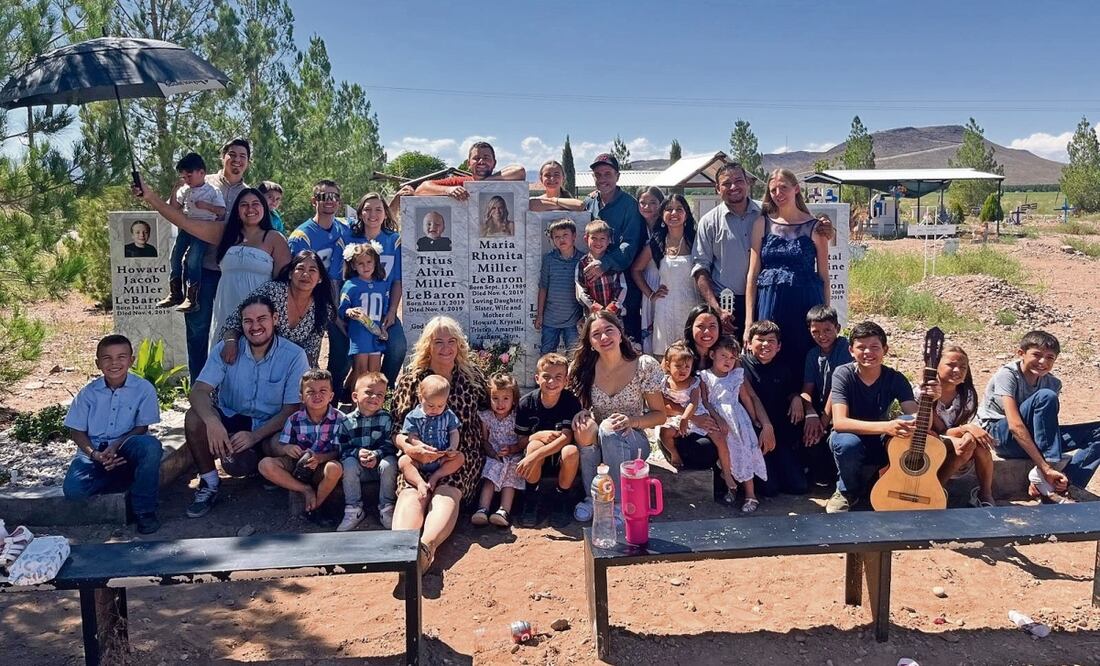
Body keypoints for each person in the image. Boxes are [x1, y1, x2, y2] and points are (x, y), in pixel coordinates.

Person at [133, 137, 250, 381]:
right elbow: (173, 212)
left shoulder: (249, 195)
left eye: (242, 156)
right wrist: (150, 195)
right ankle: (199, 389)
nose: (237, 160)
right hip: (202, 270)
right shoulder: (198, 181)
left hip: (233, 272)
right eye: (232, 154)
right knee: (197, 329)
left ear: (248, 162)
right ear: (222, 157)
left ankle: (230, 387)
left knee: (236, 332)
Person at [183, 295, 310, 518]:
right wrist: (213, 423)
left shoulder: (293, 355)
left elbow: (293, 407)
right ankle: (209, 482)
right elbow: (199, 391)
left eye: (262, 319)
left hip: (270, 425)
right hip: (234, 416)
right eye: (248, 321)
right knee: (195, 418)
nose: (255, 326)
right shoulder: (227, 349)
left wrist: (255, 436)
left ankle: (269, 469)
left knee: (278, 443)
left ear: (275, 319)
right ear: (241, 324)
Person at [390, 316, 490, 569]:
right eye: (438, 342)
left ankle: (426, 548)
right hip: (418, 454)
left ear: (459, 345)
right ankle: (402, 551)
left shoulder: (472, 378)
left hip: (460, 454)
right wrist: (412, 448)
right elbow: (395, 428)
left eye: (451, 341)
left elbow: (493, 413)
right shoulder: (412, 380)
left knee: (447, 490)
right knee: (413, 491)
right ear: (428, 346)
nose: (446, 348)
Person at [978, 330, 1100, 503]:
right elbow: (1014, 425)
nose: (1043, 362)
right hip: (1001, 435)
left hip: (1033, 437)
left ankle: (1066, 487)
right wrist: (1045, 467)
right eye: (1037, 355)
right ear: (1021, 353)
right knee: (1045, 396)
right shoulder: (1008, 375)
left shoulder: (1053, 383)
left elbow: (1044, 425)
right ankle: (1044, 477)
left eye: (1050, 357)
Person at [826, 321, 933, 513]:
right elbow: (840, 422)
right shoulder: (843, 374)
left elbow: (917, 419)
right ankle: (846, 491)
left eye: (875, 347)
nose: (868, 352)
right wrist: (887, 426)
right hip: (850, 436)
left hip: (881, 440)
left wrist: (930, 400)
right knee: (847, 444)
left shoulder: (895, 378)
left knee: (910, 435)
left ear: (885, 349)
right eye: (861, 347)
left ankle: (885, 487)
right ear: (851, 350)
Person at [568, 311, 665, 521]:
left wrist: (632, 421)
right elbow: (582, 407)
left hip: (634, 440)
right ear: (590, 342)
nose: (604, 337)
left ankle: (620, 503)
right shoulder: (584, 369)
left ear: (620, 334)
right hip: (602, 437)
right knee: (585, 429)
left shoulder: (643, 365)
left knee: (609, 427)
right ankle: (595, 498)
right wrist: (582, 413)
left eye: (608, 330)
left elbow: (660, 416)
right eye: (596, 334)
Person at [62, 335, 163, 534]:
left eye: (121, 357)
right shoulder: (88, 394)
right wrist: (95, 454)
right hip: (95, 451)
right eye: (107, 358)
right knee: (74, 491)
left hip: (126, 445)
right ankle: (118, 473)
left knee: (151, 447)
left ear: (131, 360)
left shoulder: (144, 389)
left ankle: (144, 511)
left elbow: (142, 427)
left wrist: (116, 446)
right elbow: (77, 431)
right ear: (97, 363)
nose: (114, 363)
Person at [745, 168, 831, 379]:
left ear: (796, 189)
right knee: (769, 353)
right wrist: (749, 322)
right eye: (773, 189)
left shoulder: (815, 227)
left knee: (803, 356)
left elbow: (824, 277)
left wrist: (826, 317)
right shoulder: (761, 223)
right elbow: (752, 274)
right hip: (770, 302)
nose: (778, 193)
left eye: (783, 187)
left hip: (805, 303)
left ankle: (804, 405)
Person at [218, 251, 335, 368]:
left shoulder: (322, 307)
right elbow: (235, 320)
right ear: (290, 274)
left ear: (320, 278)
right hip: (254, 356)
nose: (305, 274)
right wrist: (231, 342)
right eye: (300, 268)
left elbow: (311, 350)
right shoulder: (272, 291)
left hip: (291, 364)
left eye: (312, 270)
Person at [289, 180, 353, 394]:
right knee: (307, 356)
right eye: (324, 196)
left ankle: (332, 395)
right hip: (310, 299)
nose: (329, 201)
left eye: (334, 196)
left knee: (343, 351)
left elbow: (375, 219)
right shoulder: (301, 237)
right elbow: (296, 278)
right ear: (313, 201)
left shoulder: (344, 227)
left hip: (337, 297)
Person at [208, 188, 291, 350]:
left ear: (264, 208)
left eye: (255, 204)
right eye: (244, 205)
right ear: (237, 210)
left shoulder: (274, 238)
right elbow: (184, 222)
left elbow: (283, 286)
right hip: (225, 307)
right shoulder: (226, 235)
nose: (250, 209)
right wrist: (150, 197)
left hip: (259, 314)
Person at [259, 369, 345, 516]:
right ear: (302, 397)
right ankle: (304, 489)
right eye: (310, 392)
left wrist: (320, 458)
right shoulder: (294, 419)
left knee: (335, 469)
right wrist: (288, 449)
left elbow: (339, 451)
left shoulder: (340, 419)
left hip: (322, 464)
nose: (317, 395)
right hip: (297, 463)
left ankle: (317, 504)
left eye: (323, 391)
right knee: (265, 465)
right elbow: (282, 444)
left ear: (331, 396)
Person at [692, 163, 761, 341]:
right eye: (726, 183)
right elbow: (701, 268)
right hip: (727, 306)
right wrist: (717, 310)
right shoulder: (708, 222)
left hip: (764, 298)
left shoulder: (767, 213)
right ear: (717, 188)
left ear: (747, 183)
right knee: (728, 359)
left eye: (739, 180)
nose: (733, 187)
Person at [515, 352, 582, 528]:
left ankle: (562, 498)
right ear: (537, 378)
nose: (552, 382)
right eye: (546, 377)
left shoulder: (570, 401)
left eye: (558, 377)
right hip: (535, 465)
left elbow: (567, 437)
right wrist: (536, 437)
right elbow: (520, 442)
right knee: (534, 445)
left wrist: (534, 456)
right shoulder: (526, 403)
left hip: (560, 459)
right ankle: (531, 498)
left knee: (571, 451)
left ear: (566, 380)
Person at [702, 335, 769, 513]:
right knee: (726, 455)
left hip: (738, 421)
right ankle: (731, 487)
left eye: (732, 358)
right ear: (712, 355)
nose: (728, 361)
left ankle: (750, 494)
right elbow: (705, 401)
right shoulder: (705, 377)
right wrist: (717, 418)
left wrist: (754, 418)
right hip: (719, 420)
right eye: (723, 356)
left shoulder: (736, 376)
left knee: (743, 452)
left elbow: (746, 398)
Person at [584, 153, 646, 341]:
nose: (603, 179)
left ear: (617, 176)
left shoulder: (629, 205)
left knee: (626, 338)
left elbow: (630, 244)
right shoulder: (590, 202)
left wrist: (605, 263)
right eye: (598, 175)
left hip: (623, 287)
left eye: (607, 174)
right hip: (595, 287)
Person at [741, 320, 807, 496]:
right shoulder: (740, 365)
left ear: (779, 347)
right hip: (753, 431)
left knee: (798, 486)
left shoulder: (783, 368)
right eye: (760, 339)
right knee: (769, 490)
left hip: (778, 433)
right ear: (748, 343)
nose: (765, 345)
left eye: (771, 341)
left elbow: (791, 391)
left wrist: (796, 398)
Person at [347, 192, 407, 386]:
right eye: (367, 209)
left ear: (385, 213)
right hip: (356, 311)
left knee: (397, 346)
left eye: (378, 209)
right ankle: (346, 394)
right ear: (360, 213)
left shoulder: (394, 240)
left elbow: (398, 280)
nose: (373, 214)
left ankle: (383, 392)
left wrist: (391, 311)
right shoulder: (350, 238)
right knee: (354, 358)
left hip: (382, 309)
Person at [630, 194, 701, 355]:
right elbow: (636, 270)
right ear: (662, 215)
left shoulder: (695, 239)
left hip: (692, 304)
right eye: (669, 209)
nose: (674, 213)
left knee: (692, 353)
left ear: (686, 214)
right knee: (666, 355)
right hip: (665, 307)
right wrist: (651, 294)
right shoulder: (657, 242)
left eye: (679, 209)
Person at [928, 345, 996, 508]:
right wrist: (967, 430)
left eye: (963, 367)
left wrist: (968, 431)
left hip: (953, 437)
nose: (957, 370)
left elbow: (959, 426)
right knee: (965, 444)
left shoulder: (967, 395)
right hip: (931, 438)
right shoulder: (925, 392)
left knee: (976, 445)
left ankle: (985, 493)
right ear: (937, 366)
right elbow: (939, 429)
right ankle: (935, 488)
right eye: (951, 365)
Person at [158, 152, 225, 310]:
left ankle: (191, 296)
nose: (187, 180)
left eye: (189, 176)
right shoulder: (185, 190)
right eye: (184, 177)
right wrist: (176, 189)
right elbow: (173, 208)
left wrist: (207, 206)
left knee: (193, 259)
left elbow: (222, 211)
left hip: (203, 230)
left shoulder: (212, 191)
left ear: (201, 173)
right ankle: (175, 292)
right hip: (187, 228)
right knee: (175, 256)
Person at [798, 305, 852, 486]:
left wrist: (821, 423)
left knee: (824, 436)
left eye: (827, 330)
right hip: (821, 410)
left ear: (837, 328)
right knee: (807, 435)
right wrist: (810, 412)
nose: (822, 336)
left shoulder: (845, 348)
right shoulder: (813, 355)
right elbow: (807, 389)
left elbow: (837, 389)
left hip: (842, 408)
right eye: (816, 331)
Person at [338, 371, 398, 531]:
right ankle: (354, 509)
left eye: (380, 394)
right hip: (359, 468)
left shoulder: (386, 419)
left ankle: (387, 507)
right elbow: (342, 449)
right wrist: (357, 453)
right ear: (355, 396)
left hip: (380, 467)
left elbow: (390, 445)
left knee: (390, 463)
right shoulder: (346, 422)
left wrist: (377, 455)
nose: (374, 397)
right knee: (348, 464)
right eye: (369, 392)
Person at [658, 341, 726, 475]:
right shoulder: (664, 382)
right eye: (678, 366)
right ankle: (674, 454)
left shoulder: (694, 382)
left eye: (687, 367)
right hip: (674, 417)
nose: (683, 370)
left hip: (693, 413)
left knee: (718, 438)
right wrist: (680, 418)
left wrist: (686, 418)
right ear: (667, 365)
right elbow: (662, 402)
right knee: (665, 433)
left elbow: (693, 403)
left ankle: (726, 471)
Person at [397, 375, 465, 503]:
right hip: (419, 457)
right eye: (431, 405)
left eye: (440, 405)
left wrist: (452, 448)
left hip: (440, 458)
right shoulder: (413, 416)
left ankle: (436, 476)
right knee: (403, 461)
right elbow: (412, 436)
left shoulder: (448, 415)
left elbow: (454, 432)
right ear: (420, 398)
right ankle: (419, 482)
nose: (435, 410)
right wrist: (419, 446)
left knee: (460, 457)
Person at [471, 373, 524, 528]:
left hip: (512, 454)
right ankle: (483, 508)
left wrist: (512, 449)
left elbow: (522, 441)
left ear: (513, 399)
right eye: (495, 398)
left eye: (505, 398)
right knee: (490, 474)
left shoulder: (516, 417)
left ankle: (503, 510)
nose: (500, 403)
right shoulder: (486, 417)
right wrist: (492, 453)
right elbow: (485, 440)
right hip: (494, 454)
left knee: (510, 477)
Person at [340, 241, 390, 387]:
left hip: (375, 330)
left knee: (375, 370)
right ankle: (356, 402)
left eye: (369, 262)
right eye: (360, 263)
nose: (366, 266)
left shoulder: (382, 284)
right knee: (361, 370)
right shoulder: (351, 285)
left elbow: (384, 310)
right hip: (359, 332)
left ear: (375, 262)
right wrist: (349, 311)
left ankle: (374, 402)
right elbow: (343, 308)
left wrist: (384, 328)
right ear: (354, 266)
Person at [412, 141, 526, 199]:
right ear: (468, 163)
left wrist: (482, 184)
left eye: (486, 158)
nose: (481, 161)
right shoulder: (459, 182)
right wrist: (448, 190)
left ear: (494, 163)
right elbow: (421, 189)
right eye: (476, 158)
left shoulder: (503, 181)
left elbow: (519, 171)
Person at [536, 219, 582, 354]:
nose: (561, 239)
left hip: (574, 319)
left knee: (575, 356)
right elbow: (543, 287)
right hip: (551, 318)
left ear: (574, 236)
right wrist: (539, 315)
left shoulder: (583, 259)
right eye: (557, 237)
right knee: (547, 354)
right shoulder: (549, 259)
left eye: (565, 235)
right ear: (552, 240)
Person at [634, 186, 665, 351]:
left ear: (661, 203)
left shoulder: (666, 227)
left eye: (653, 202)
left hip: (663, 281)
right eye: (643, 203)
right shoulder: (638, 227)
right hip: (647, 284)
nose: (647, 207)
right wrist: (650, 294)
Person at [575, 220, 627, 315]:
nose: (598, 242)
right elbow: (580, 290)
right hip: (593, 315)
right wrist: (596, 307)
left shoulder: (613, 262)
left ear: (609, 241)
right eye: (594, 238)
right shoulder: (582, 264)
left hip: (614, 314)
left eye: (602, 238)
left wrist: (612, 307)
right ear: (586, 239)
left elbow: (622, 287)